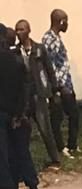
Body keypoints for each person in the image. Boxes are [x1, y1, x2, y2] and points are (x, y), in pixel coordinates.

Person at [15, 20, 61, 168]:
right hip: (23, 97)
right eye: (17, 30)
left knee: (45, 128)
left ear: (29, 30)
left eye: (22, 29)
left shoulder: (39, 49)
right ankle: (23, 163)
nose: (19, 32)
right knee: (23, 132)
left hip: (38, 94)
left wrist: (54, 90)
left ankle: (55, 159)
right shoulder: (15, 51)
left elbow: (49, 69)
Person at [42, 9, 79, 158]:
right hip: (59, 86)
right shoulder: (49, 39)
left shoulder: (57, 38)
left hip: (66, 84)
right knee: (57, 118)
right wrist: (57, 87)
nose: (67, 24)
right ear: (60, 21)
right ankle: (60, 147)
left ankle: (72, 145)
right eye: (66, 21)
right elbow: (50, 65)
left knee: (74, 114)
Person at [0, 23, 26, 189]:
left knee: (2, 154)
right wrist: (18, 113)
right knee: (13, 152)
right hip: (12, 114)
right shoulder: (15, 60)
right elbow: (22, 88)